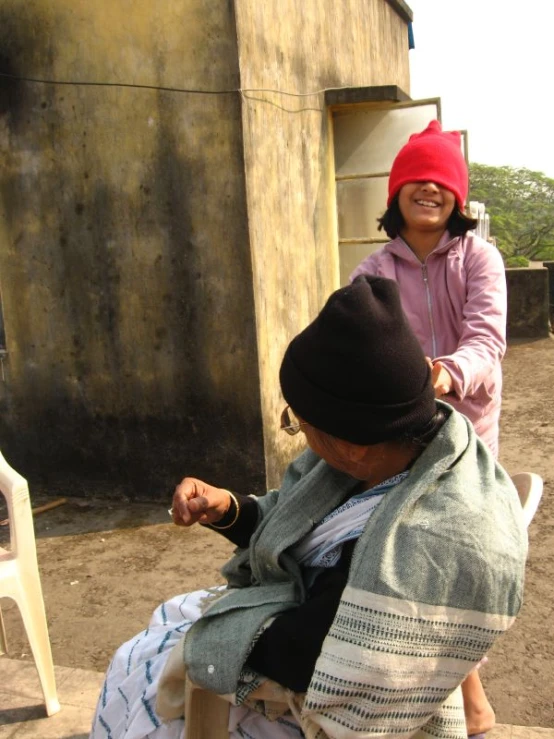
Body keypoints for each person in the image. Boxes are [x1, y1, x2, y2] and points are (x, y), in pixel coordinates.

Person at [90, 276, 526, 739]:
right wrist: (229, 509)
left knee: (144, 668)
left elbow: (310, 658)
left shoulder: (413, 553)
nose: (300, 438)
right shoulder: (395, 453)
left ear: (352, 445)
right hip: (307, 631)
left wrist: (215, 629)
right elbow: (297, 523)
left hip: (324, 692)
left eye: (298, 423)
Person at [350, 123, 508, 737]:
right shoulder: (370, 271)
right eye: (416, 177)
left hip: (469, 439)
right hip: (401, 437)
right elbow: (357, 349)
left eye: (442, 181)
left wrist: (441, 375)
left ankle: (464, 691)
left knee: (447, 553)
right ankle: (452, 691)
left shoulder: (480, 258)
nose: (428, 189)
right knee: (379, 547)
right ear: (395, 194)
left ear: (457, 198)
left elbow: (488, 343)